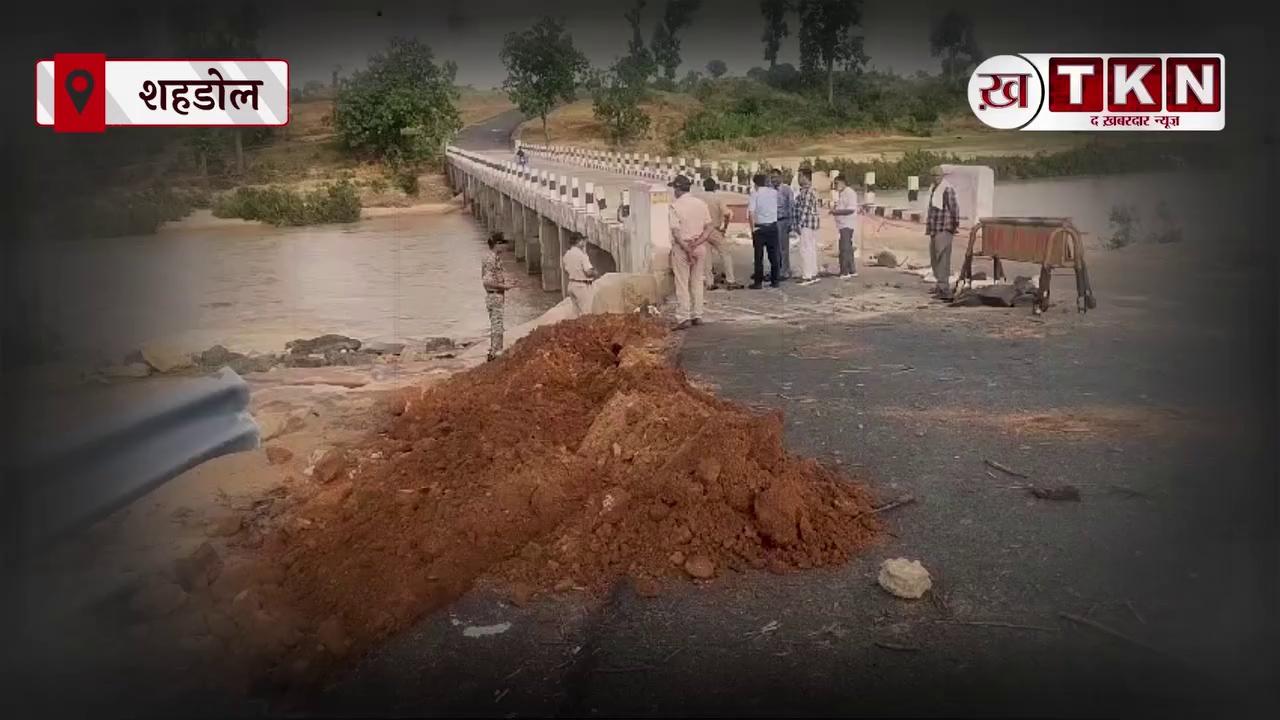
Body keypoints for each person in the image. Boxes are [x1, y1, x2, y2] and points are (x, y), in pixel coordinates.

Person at [667, 174, 714, 329]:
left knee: (682, 283)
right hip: (699, 246)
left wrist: (687, 248)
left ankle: (683, 317)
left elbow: (676, 232)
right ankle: (698, 314)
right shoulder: (701, 204)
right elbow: (709, 228)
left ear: (678, 189)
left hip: (682, 247)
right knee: (697, 281)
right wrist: (697, 243)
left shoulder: (675, 206)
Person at [692, 177, 736, 290]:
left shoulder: (698, 198)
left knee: (707, 257)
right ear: (715, 187)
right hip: (714, 229)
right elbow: (727, 214)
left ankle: (709, 282)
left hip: (702, 230)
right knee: (725, 253)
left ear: (704, 186)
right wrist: (724, 228)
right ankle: (730, 280)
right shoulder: (718, 198)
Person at [480, 232, 517, 361]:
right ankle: (496, 354)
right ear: (497, 244)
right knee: (497, 326)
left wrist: (506, 283)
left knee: (497, 325)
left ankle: (494, 351)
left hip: (494, 295)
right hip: (494, 295)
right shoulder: (491, 259)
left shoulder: (492, 257)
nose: (505, 247)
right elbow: (487, 281)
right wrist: (504, 287)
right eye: (503, 244)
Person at [926, 165, 960, 301]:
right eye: (934, 176)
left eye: (938, 176)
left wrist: (954, 226)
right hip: (935, 228)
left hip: (944, 228)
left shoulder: (947, 189)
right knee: (934, 258)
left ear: (942, 176)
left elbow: (954, 209)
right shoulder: (934, 189)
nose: (936, 178)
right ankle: (940, 285)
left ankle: (944, 288)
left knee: (943, 258)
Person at [747, 173, 780, 289]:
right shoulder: (774, 193)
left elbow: (750, 213)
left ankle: (758, 282)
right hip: (772, 226)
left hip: (760, 227)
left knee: (758, 257)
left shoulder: (754, 194)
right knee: (773, 255)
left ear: (755, 183)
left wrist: (752, 229)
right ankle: (775, 280)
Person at [794, 168, 821, 285]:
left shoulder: (807, 192)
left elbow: (804, 210)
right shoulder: (807, 191)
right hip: (811, 223)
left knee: (805, 249)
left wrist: (799, 224)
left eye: (800, 176)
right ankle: (812, 273)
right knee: (810, 249)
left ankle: (807, 276)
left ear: (805, 177)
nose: (798, 179)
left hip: (806, 223)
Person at [830, 175, 859, 278]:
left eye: (836, 183)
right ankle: (852, 270)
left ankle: (844, 271)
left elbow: (851, 209)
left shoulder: (849, 193)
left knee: (844, 248)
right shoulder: (842, 194)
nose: (835, 186)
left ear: (842, 182)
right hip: (842, 224)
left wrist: (836, 212)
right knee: (848, 248)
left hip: (847, 224)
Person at [562, 231, 596, 316]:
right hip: (582, 286)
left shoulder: (567, 254)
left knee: (575, 313)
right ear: (578, 241)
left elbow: (566, 270)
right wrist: (595, 272)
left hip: (571, 285)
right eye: (582, 240)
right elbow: (588, 272)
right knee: (586, 313)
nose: (584, 243)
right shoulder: (582, 255)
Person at [770, 168, 795, 280]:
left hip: (783, 221)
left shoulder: (786, 190)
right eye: (772, 177)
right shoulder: (769, 190)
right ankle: (777, 270)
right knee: (774, 248)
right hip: (772, 221)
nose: (774, 179)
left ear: (780, 177)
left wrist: (791, 222)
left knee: (783, 248)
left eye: (775, 177)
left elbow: (791, 206)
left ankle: (785, 271)